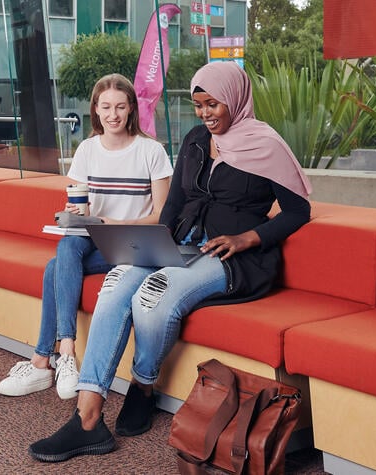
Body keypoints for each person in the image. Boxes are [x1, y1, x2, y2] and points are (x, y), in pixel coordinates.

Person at [28, 61, 313, 462]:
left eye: (213, 104)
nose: (205, 114)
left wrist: (247, 237)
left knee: (152, 295)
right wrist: (151, 243)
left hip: (231, 256)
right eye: (199, 105)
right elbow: (176, 203)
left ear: (235, 99)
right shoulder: (197, 140)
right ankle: (88, 420)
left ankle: (144, 386)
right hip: (177, 243)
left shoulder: (266, 145)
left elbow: (298, 210)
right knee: (116, 284)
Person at [0, 74, 173, 401]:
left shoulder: (152, 151)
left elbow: (163, 215)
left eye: (120, 106)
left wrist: (115, 222)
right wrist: (76, 213)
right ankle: (65, 351)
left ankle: (44, 361)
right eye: (105, 107)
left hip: (135, 242)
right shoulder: (87, 150)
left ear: (132, 108)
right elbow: (81, 203)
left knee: (54, 269)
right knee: (68, 243)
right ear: (95, 109)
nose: (113, 114)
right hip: (95, 239)